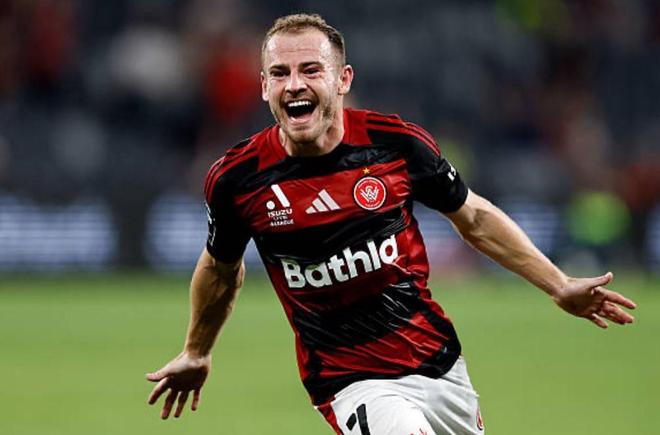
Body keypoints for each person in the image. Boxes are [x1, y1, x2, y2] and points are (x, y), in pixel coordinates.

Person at [146, 13, 636, 434]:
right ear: (264, 87)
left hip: (440, 364)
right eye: (280, 73)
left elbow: (473, 217)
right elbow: (220, 268)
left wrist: (558, 284)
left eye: (311, 70)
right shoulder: (238, 179)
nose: (294, 84)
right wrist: (197, 350)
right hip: (350, 382)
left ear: (343, 80)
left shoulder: (395, 145)